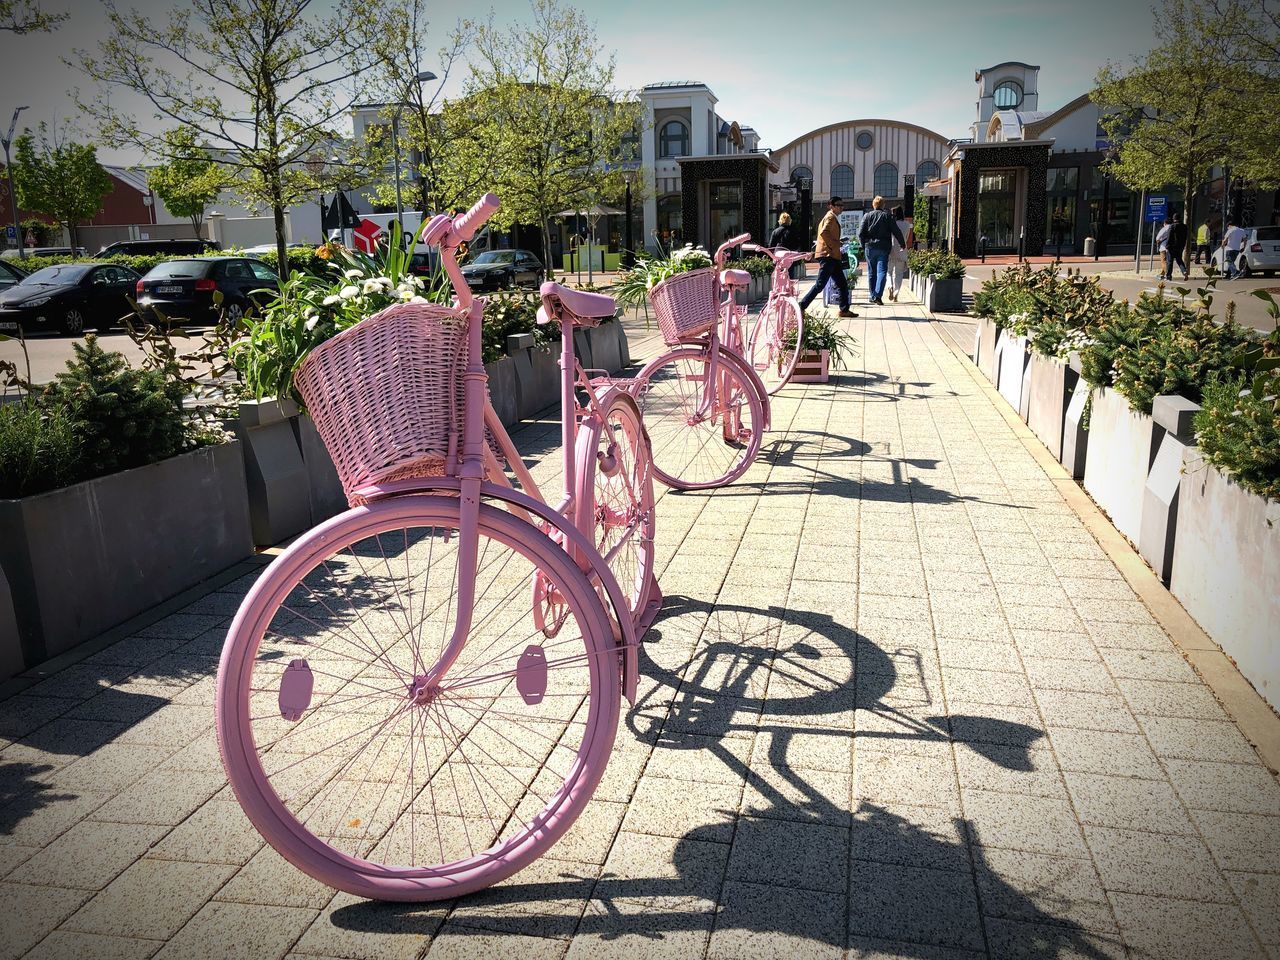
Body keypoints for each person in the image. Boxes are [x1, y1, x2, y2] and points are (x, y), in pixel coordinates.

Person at [798, 197, 856, 318]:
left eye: (842, 205)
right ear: (831, 206)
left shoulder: (831, 217)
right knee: (820, 284)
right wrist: (834, 244)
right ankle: (801, 306)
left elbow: (827, 235)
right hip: (828, 255)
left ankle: (844, 310)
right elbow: (824, 233)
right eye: (838, 205)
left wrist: (836, 243)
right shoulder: (830, 217)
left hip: (832, 256)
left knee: (842, 284)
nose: (841, 207)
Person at [858, 196, 906, 306]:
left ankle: (873, 295)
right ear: (883, 205)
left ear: (873, 205)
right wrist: (902, 244)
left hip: (869, 247)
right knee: (882, 271)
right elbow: (896, 231)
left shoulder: (867, 216)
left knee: (871, 272)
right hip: (884, 247)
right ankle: (878, 295)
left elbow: (861, 233)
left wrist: (863, 245)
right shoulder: (887, 216)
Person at [886, 205, 914, 302]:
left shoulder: (890, 224)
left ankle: (890, 286)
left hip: (891, 251)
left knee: (888, 272)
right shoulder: (907, 224)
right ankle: (896, 292)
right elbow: (906, 238)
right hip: (902, 250)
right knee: (898, 274)